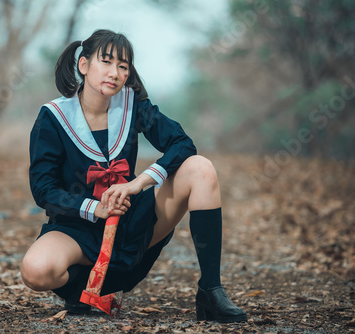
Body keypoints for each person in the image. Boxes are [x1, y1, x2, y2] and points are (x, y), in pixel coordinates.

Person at [21, 29, 247, 323]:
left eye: (123, 66)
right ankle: (81, 290)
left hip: (133, 224)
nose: (114, 73)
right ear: (84, 65)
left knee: (200, 167)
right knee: (35, 270)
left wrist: (140, 182)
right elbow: (43, 188)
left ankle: (210, 290)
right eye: (106, 62)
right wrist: (95, 207)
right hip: (77, 229)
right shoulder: (53, 117)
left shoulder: (132, 105)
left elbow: (182, 143)